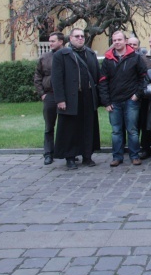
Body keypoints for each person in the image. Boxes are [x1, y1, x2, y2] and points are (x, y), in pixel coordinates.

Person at [51, 28, 101, 169]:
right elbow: (57, 79)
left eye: (82, 36)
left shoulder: (90, 54)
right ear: (70, 38)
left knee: (88, 127)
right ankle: (70, 157)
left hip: (88, 96)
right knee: (70, 128)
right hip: (70, 97)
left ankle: (87, 156)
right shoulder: (61, 55)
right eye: (77, 36)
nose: (80, 38)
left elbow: (97, 76)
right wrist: (60, 99)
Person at [99, 31, 147, 167]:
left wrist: (137, 95)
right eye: (114, 40)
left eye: (119, 39)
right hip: (114, 101)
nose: (117, 42)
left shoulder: (136, 57)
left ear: (125, 41)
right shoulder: (108, 59)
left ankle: (134, 155)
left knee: (132, 130)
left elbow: (143, 78)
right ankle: (117, 156)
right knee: (116, 131)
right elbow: (103, 81)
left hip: (131, 100)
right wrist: (106, 101)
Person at [34, 31, 64, 165]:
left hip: (64, 96)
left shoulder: (67, 55)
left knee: (66, 126)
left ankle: (66, 151)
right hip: (49, 95)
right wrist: (42, 93)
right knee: (49, 126)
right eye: (50, 41)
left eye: (53, 41)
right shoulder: (44, 57)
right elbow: (37, 76)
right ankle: (48, 153)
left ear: (61, 42)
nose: (50, 43)